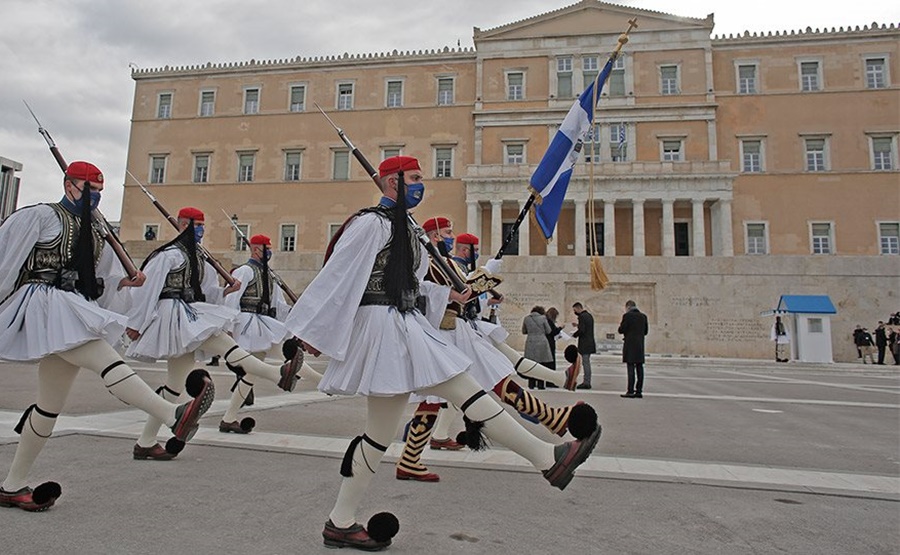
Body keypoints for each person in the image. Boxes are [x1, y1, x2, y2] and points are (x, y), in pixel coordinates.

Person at [284, 156, 601, 550]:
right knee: (466, 389)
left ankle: (340, 521)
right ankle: (546, 459)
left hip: (403, 324)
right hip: (385, 328)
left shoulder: (408, 230)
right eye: (415, 178)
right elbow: (337, 274)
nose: (422, 184)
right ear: (391, 182)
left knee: (378, 436)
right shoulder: (370, 224)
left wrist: (448, 294)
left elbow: (414, 285)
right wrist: (308, 331)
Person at [0, 161, 214, 511]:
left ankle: (12, 485)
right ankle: (171, 414)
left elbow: (101, 278)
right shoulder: (38, 216)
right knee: (103, 356)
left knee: (48, 406)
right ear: (69, 185)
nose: (96, 196)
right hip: (43, 304)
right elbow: (5, 262)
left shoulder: (96, 230)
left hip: (70, 307)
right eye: (90, 189)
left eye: (100, 191)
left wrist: (123, 282)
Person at [395, 222, 593, 482]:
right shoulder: (428, 261)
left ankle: (409, 460)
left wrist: (483, 276)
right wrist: (478, 278)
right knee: (494, 379)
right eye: (447, 233)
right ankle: (551, 417)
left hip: (457, 331)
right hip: (446, 333)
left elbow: (462, 289)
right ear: (434, 236)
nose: (451, 238)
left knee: (438, 399)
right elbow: (442, 291)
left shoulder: (443, 261)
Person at [125, 207, 302, 459]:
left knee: (174, 386)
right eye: (196, 225)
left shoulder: (200, 258)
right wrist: (136, 323)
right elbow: (147, 290)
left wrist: (225, 292)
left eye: (202, 226)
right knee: (224, 343)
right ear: (182, 224)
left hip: (190, 311)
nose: (200, 231)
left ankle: (145, 442)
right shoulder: (168, 255)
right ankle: (277, 374)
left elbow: (208, 292)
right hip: (172, 314)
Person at [219, 234, 323, 434]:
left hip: (264, 324)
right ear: (256, 249)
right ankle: (322, 382)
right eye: (266, 248)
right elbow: (232, 299)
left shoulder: (270, 275)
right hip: (248, 324)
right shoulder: (245, 270)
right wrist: (229, 329)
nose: (269, 252)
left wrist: (295, 316)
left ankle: (228, 419)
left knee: (252, 374)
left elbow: (279, 305)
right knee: (289, 359)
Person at [618, 300, 648, 398]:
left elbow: (621, 330)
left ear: (628, 307)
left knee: (630, 368)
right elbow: (646, 331)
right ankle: (639, 391)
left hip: (630, 345)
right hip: (639, 345)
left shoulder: (627, 316)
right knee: (640, 368)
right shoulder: (643, 317)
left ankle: (630, 391)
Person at [522, 306, 553, 389]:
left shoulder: (526, 319)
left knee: (531, 364)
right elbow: (548, 330)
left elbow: (524, 331)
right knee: (541, 364)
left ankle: (531, 383)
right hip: (541, 342)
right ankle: (540, 384)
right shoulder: (543, 318)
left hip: (530, 342)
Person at [572, 302, 596, 389]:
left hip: (585, 343)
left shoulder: (582, 316)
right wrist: (578, 325)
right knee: (586, 362)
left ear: (578, 308)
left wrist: (574, 334)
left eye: (575, 310)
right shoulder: (589, 316)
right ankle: (587, 381)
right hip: (589, 342)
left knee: (585, 363)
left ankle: (586, 382)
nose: (575, 312)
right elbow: (586, 327)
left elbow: (582, 330)